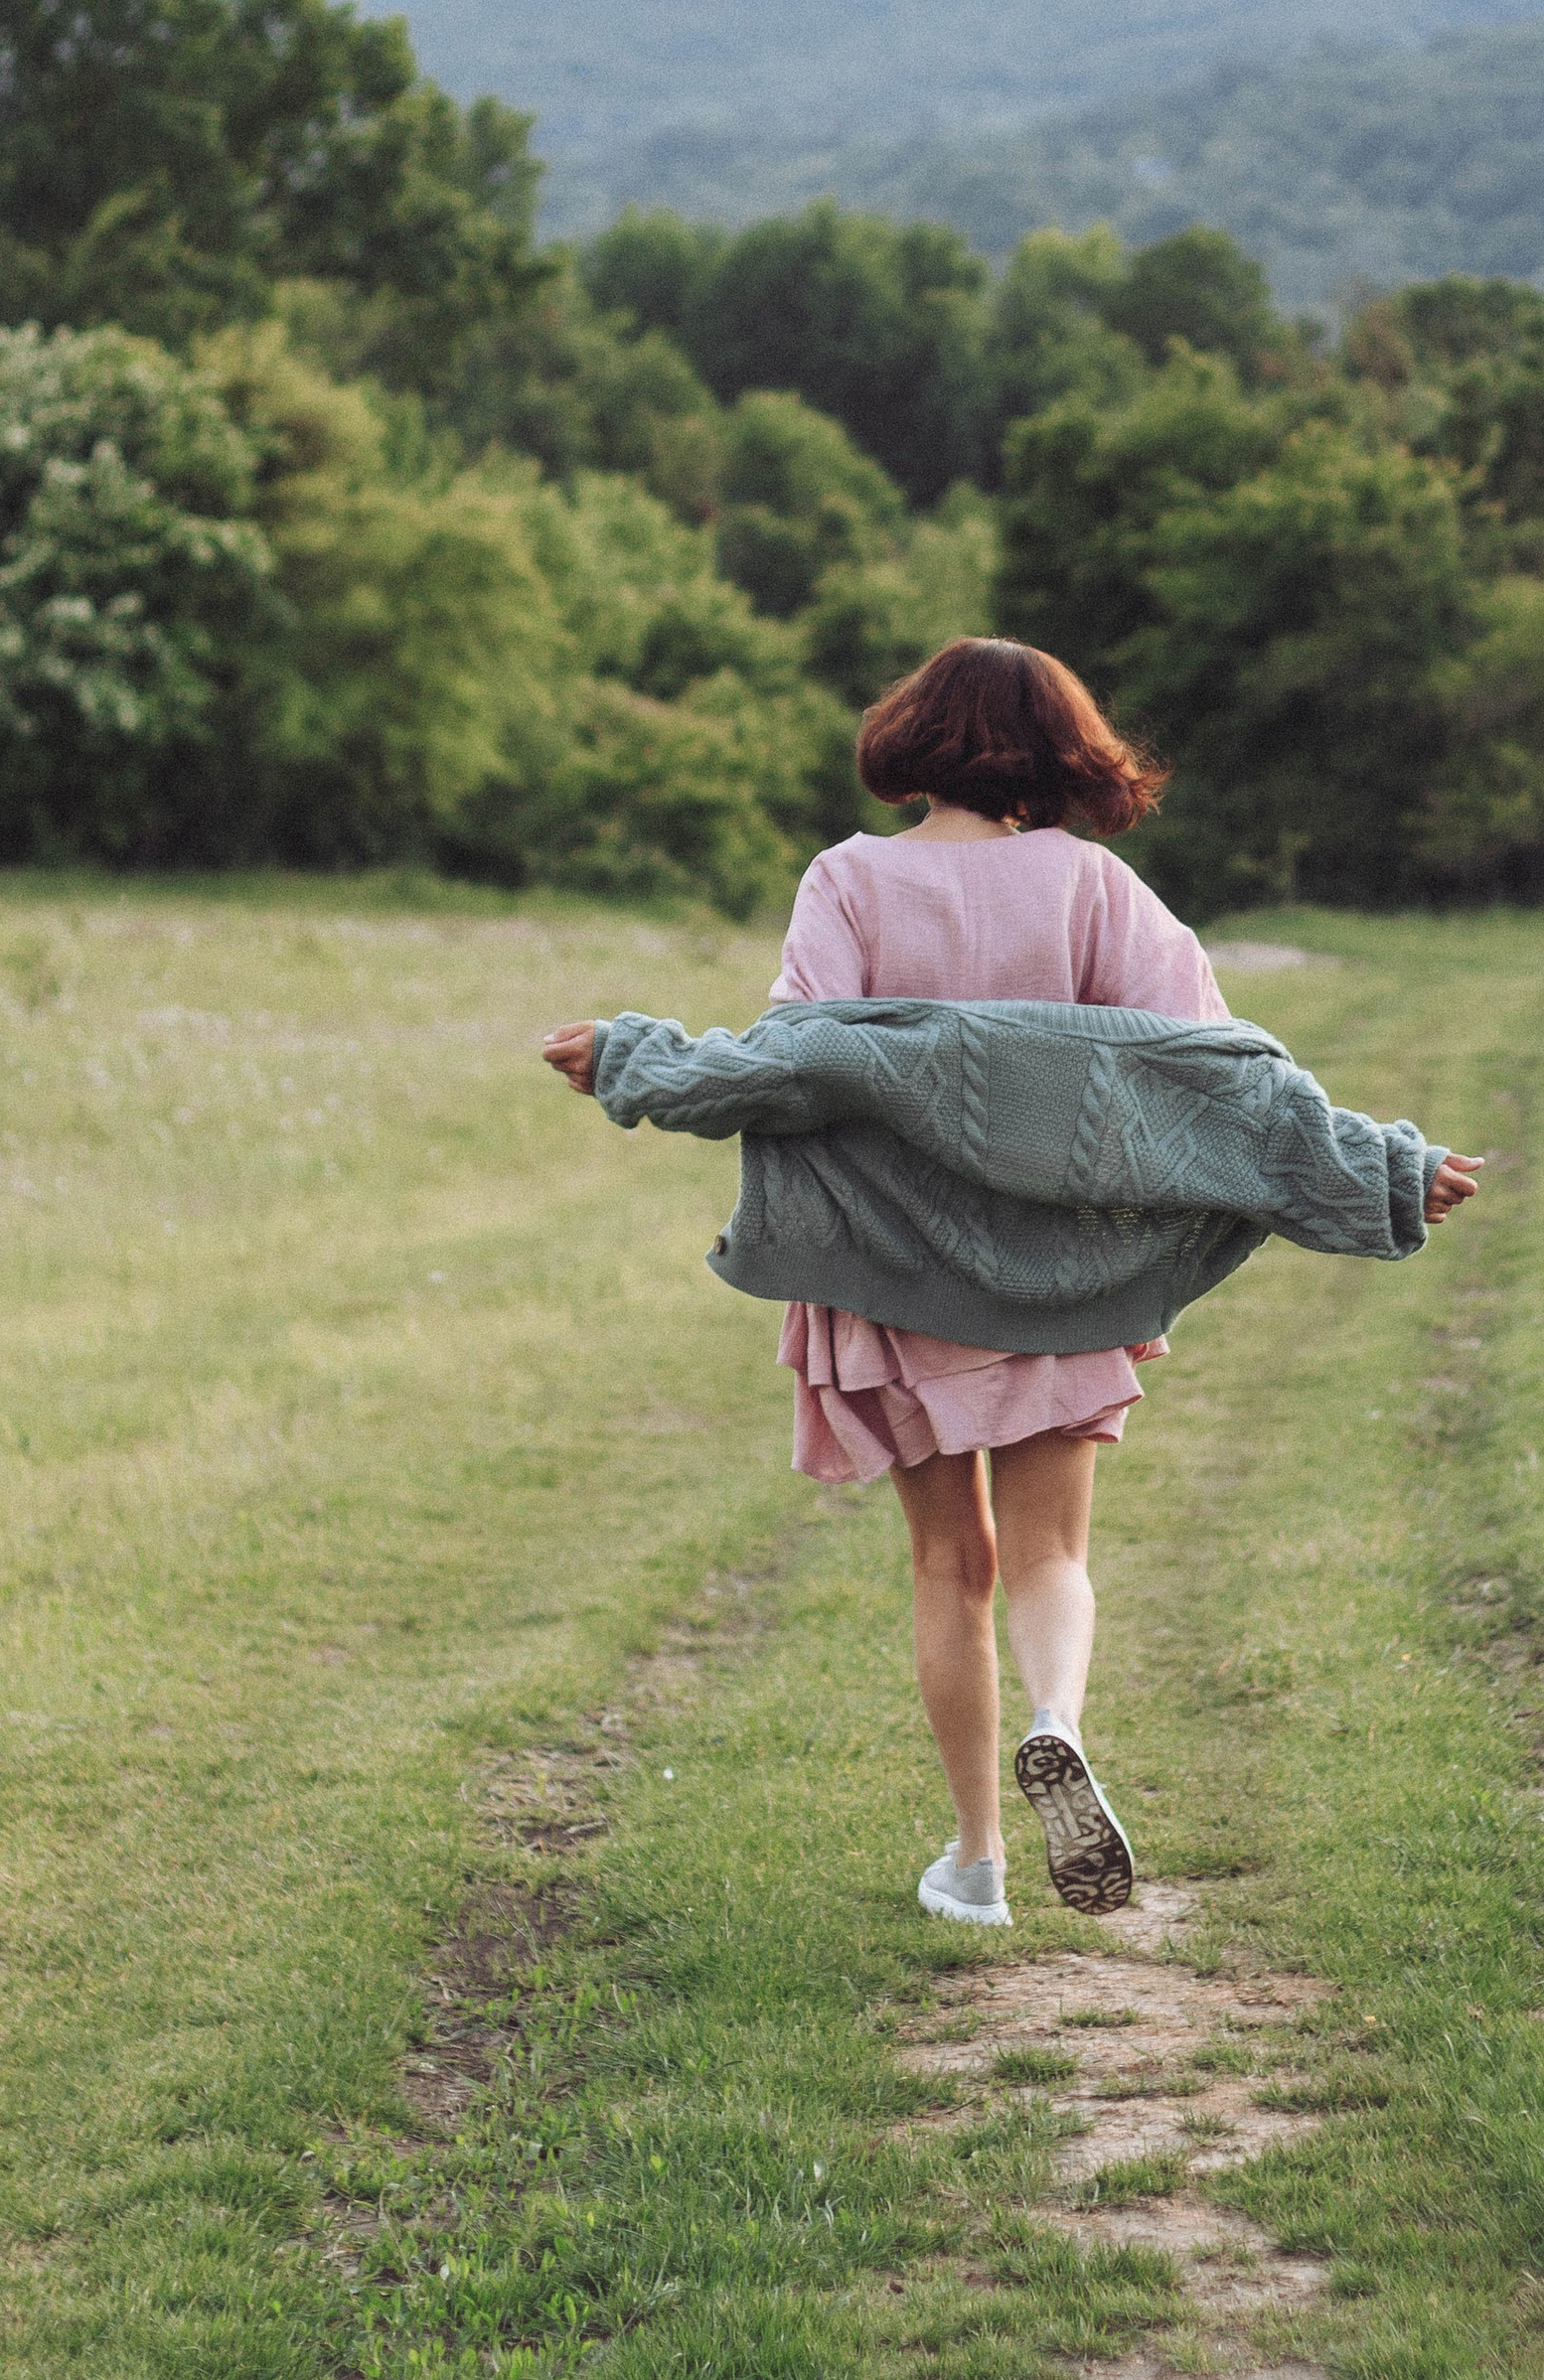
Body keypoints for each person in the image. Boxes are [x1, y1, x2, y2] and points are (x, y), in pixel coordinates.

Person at [543, 633, 1479, 1929]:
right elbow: (1223, 1076)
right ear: (1057, 747)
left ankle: (978, 1861)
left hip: (895, 1274)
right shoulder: (1094, 889)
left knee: (951, 1565)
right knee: (1050, 1552)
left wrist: (634, 1059)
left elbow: (789, 1059)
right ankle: (1062, 1723)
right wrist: (1390, 1166)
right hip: (1060, 1279)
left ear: (916, 739)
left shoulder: (850, 881)